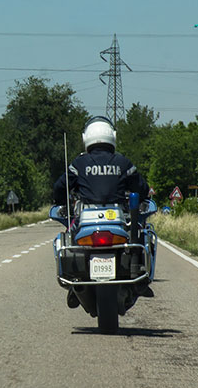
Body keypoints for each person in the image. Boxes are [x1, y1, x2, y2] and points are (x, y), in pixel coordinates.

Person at [52, 116, 153, 304]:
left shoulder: (79, 164)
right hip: (117, 220)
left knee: (68, 237)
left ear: (86, 138)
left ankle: (75, 283)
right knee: (141, 234)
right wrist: (144, 198)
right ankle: (141, 279)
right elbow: (142, 188)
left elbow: (60, 187)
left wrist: (60, 202)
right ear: (112, 137)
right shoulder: (123, 162)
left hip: (87, 222)